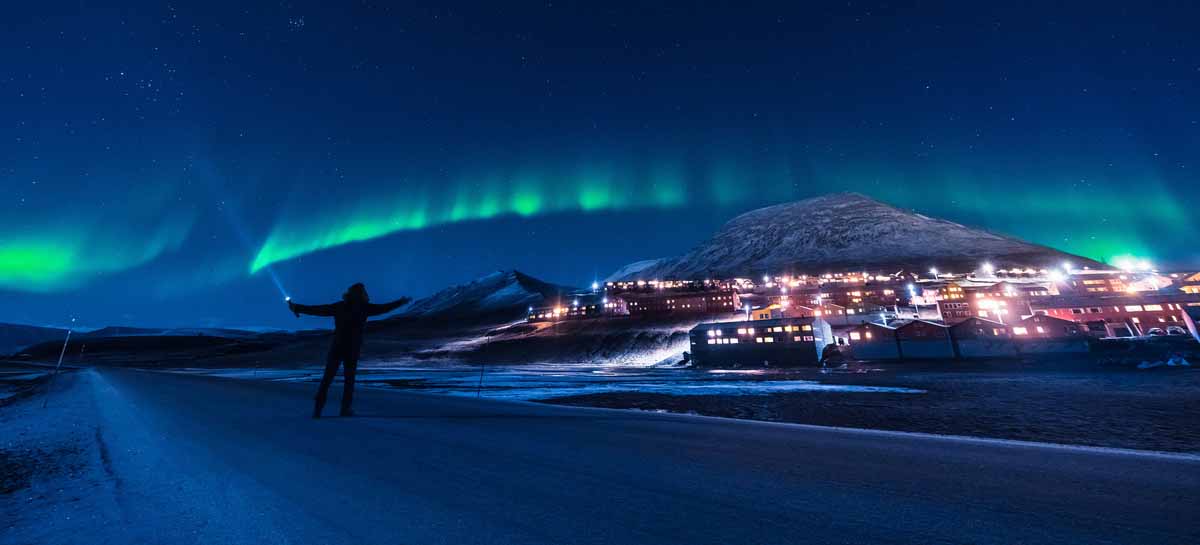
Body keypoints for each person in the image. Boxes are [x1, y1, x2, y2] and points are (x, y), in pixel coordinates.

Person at [288, 283, 411, 418]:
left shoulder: (339, 306)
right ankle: (345, 409)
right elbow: (384, 308)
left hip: (337, 345)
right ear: (362, 293)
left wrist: (297, 307)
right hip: (352, 347)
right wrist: (400, 302)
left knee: (327, 378)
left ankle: (317, 410)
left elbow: (318, 310)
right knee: (349, 380)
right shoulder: (364, 308)